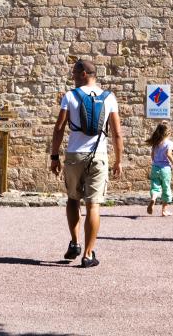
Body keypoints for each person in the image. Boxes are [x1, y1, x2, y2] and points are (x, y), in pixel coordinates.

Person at [50, 59, 123, 268]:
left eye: (74, 72)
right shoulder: (109, 98)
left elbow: (59, 128)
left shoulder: (70, 96)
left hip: (74, 154)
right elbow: (117, 133)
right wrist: (118, 160)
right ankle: (89, 255)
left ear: (84, 73)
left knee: (73, 199)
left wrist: (54, 156)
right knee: (94, 204)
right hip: (98, 155)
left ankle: (75, 242)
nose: (72, 75)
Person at [145, 120, 173, 217]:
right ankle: (164, 210)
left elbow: (152, 155)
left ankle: (153, 199)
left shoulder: (155, 143)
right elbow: (168, 154)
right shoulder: (170, 143)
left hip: (155, 167)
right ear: (169, 133)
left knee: (155, 187)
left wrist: (155, 162)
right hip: (165, 169)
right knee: (166, 188)